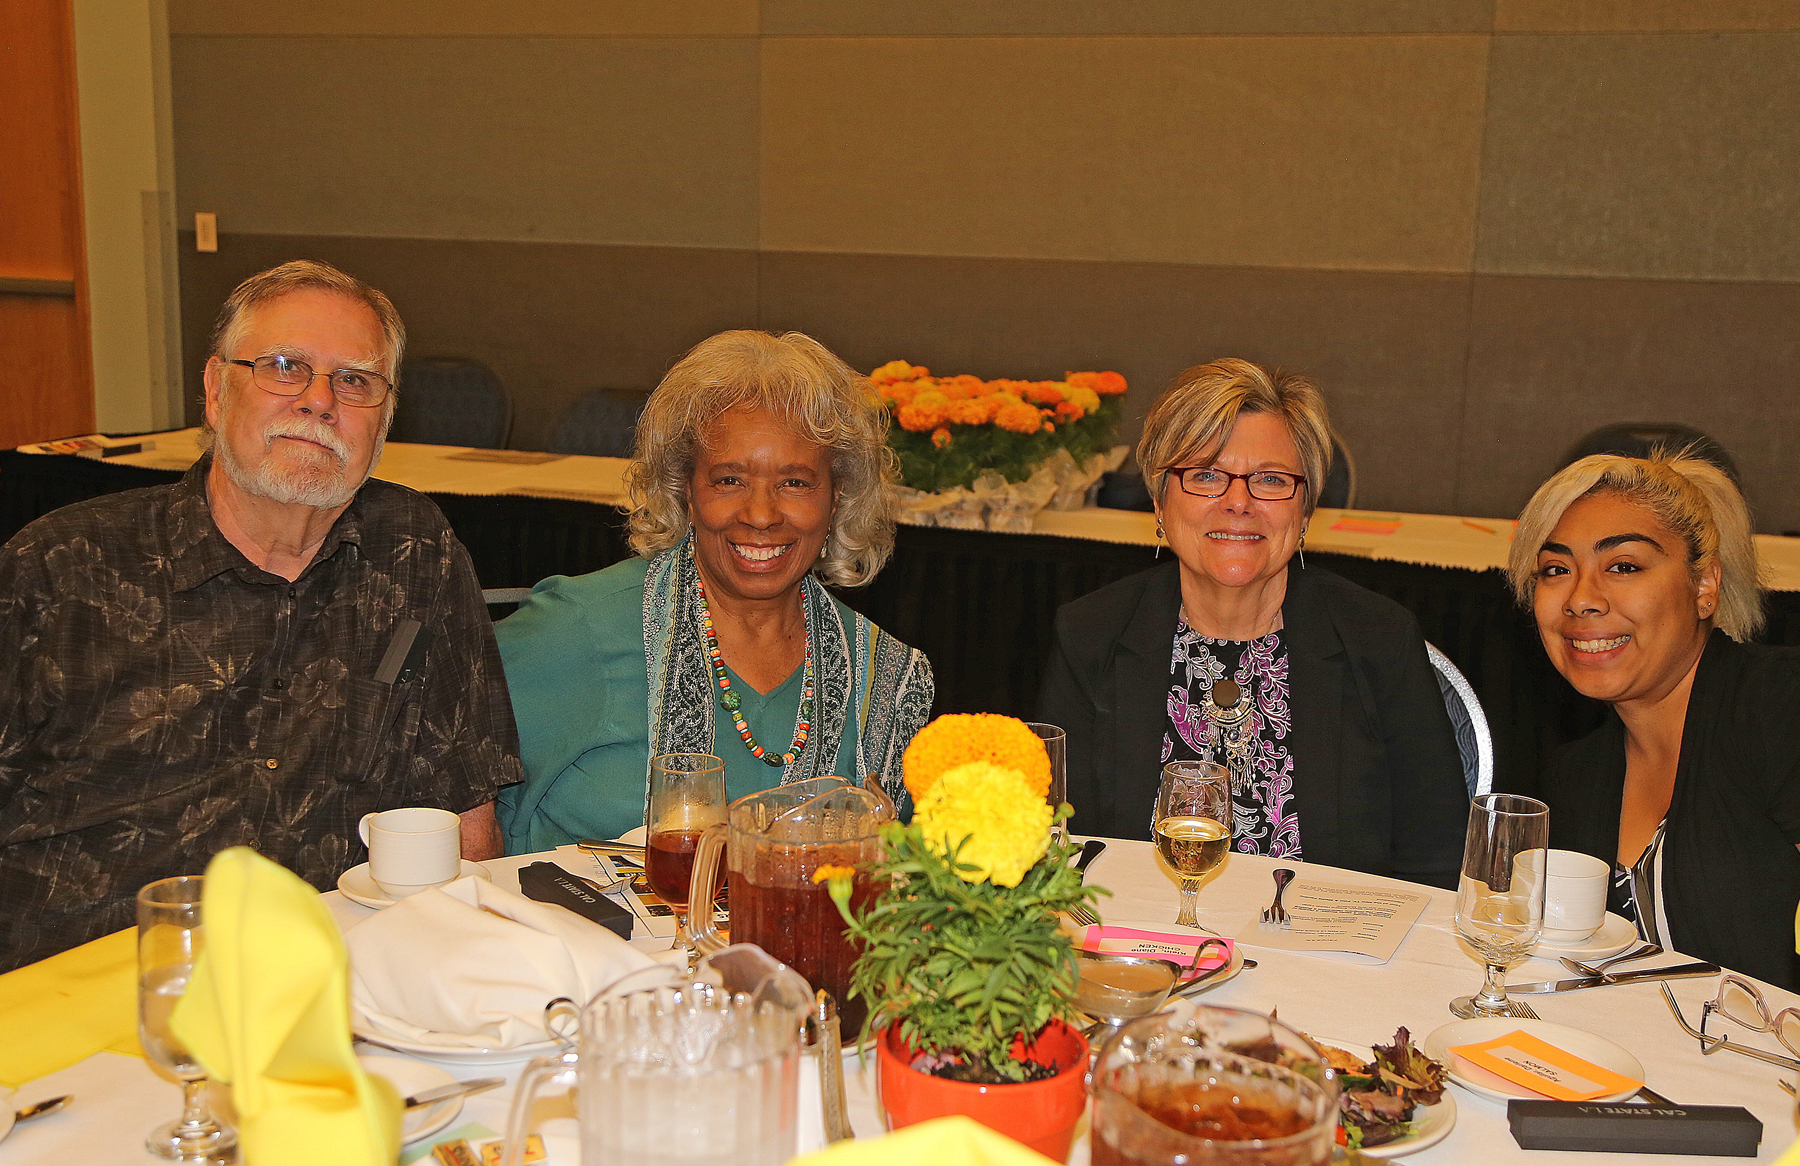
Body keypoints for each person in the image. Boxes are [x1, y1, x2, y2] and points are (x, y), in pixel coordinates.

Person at [0, 260, 522, 973]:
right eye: (284, 367)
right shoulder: (61, 570)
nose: (320, 401)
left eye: (355, 381)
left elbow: (466, 817)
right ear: (217, 392)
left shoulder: (414, 552)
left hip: (335, 984)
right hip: (84, 987)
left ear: (385, 419)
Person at [495, 330, 934, 851]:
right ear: (685, 487)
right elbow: (439, 768)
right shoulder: (576, 629)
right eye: (729, 480)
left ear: (837, 496)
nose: (761, 515)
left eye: (795, 482)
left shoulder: (884, 678)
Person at [1038, 358, 1468, 887]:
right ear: (1159, 501)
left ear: (1305, 509)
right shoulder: (1090, 636)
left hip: (1326, 938)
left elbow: (1436, 864)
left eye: (1269, 479)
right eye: (1205, 476)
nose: (1238, 502)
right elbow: (1057, 850)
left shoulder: (1379, 640)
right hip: (1140, 934)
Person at [1511, 451, 1800, 991]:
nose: (1581, 599)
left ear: (1704, 586)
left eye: (1624, 566)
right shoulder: (1575, 776)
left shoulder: (1779, 708)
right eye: (1556, 570)